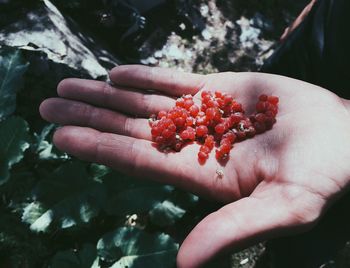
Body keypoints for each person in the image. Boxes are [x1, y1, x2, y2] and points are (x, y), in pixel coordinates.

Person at [39, 1, 350, 267]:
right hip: (324, 30)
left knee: (312, 234)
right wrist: (309, 16)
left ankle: (282, 259)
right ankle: (200, 215)